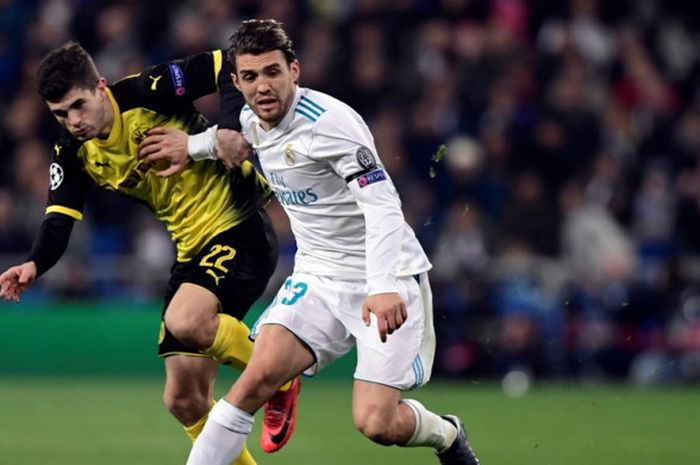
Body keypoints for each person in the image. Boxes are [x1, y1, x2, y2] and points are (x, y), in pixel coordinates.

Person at [176, 19, 481, 465]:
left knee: (376, 423)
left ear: (294, 71)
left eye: (273, 72)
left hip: (385, 276)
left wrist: (381, 284)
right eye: (252, 76)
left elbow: (382, 206)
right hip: (318, 276)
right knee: (252, 382)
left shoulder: (331, 125)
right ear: (237, 83)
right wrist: (188, 147)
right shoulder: (248, 118)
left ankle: (447, 435)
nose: (264, 86)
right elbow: (233, 143)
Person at [0, 41, 300, 464]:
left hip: (240, 226)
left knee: (187, 319)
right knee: (183, 398)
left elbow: (227, 64)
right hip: (192, 250)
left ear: (101, 87)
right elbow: (58, 219)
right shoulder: (73, 153)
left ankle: (280, 374)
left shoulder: (148, 91)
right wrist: (35, 263)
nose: (74, 121)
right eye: (61, 114)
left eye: (79, 105)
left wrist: (229, 128)